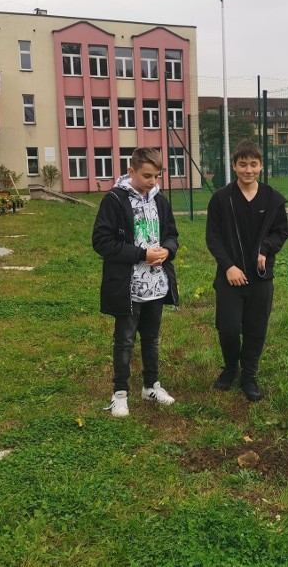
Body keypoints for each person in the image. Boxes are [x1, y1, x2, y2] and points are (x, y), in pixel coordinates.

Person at [92, 147, 179, 417]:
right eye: (146, 176)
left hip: (156, 284)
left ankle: (151, 386)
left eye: (157, 176)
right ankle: (120, 393)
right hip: (128, 287)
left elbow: (171, 233)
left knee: (151, 339)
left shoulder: (160, 200)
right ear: (131, 172)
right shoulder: (115, 201)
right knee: (125, 340)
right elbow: (102, 242)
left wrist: (167, 250)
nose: (152, 181)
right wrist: (141, 254)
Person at [206, 141, 288, 401]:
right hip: (229, 277)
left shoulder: (272, 199)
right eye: (243, 164)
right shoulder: (222, 198)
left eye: (253, 164)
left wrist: (266, 248)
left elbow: (281, 232)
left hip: (260, 278)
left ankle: (249, 375)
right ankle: (231, 369)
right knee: (228, 328)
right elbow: (213, 237)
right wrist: (228, 266)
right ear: (234, 166)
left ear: (261, 166)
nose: (248, 169)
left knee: (256, 328)